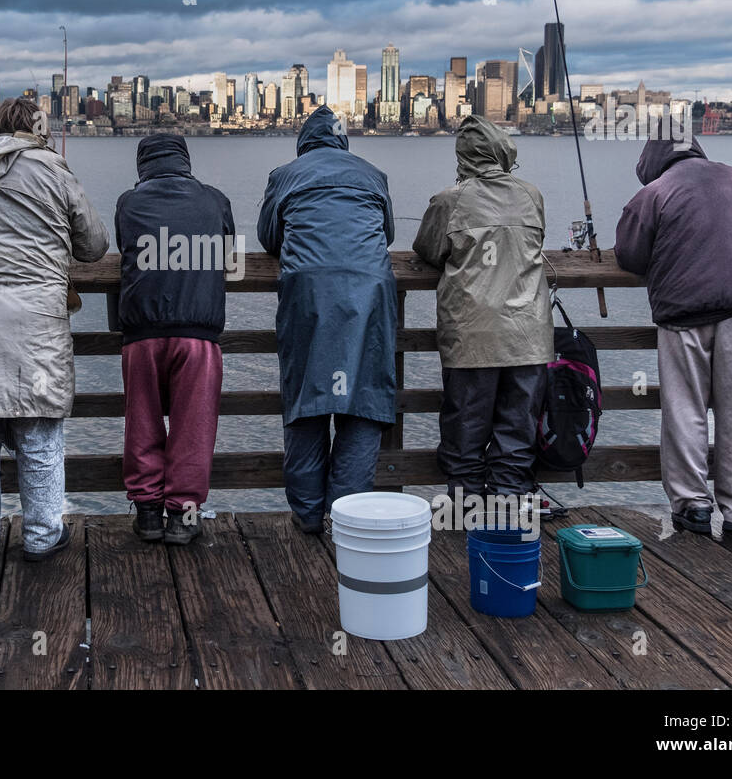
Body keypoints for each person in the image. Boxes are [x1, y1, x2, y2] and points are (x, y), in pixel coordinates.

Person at [0, 98, 108, 564]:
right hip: (37, 326)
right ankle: (43, 535)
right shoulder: (55, 169)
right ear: (38, 129)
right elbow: (93, 246)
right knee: (39, 433)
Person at [615, 130, 732, 536]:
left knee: (684, 410)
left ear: (651, 163)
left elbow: (630, 256)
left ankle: (692, 508)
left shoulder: (653, 194)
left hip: (682, 314)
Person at [257, 106, 397, 533]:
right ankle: (346, 519)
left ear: (304, 141)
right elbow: (387, 234)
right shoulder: (373, 174)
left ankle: (307, 515)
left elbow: (269, 237)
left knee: (306, 402)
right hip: (369, 299)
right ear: (343, 140)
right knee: (364, 404)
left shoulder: (285, 175)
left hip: (309, 299)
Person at [412, 115, 552, 508]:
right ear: (505, 152)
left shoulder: (449, 200)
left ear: (464, 156)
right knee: (517, 431)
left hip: (472, 336)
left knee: (466, 430)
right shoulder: (531, 195)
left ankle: (466, 512)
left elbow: (428, 249)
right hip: (529, 336)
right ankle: (508, 510)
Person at [109, 133, 235, 544]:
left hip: (142, 333)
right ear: (185, 161)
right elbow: (230, 256)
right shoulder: (214, 200)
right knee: (193, 427)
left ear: (142, 165)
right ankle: (183, 516)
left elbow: (127, 246)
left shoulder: (129, 202)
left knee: (141, 420)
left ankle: (147, 514)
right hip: (197, 333)